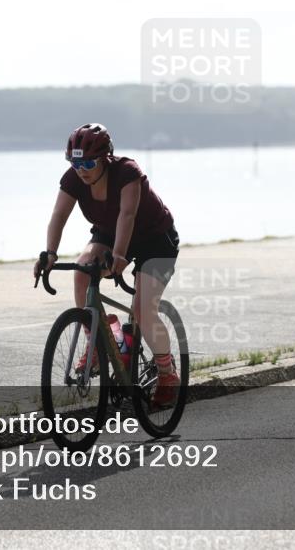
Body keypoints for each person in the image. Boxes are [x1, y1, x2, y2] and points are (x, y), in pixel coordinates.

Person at [33, 123, 182, 406]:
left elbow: (127, 215)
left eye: (88, 162)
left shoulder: (127, 173)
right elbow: (58, 215)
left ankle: (167, 373)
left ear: (105, 158)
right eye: (75, 162)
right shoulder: (74, 179)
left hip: (155, 238)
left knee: (143, 309)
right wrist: (49, 253)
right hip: (108, 233)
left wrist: (119, 257)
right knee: (81, 271)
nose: (82, 169)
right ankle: (101, 335)